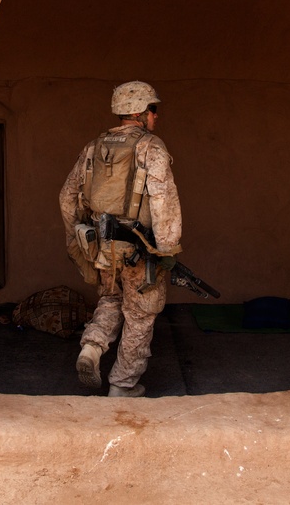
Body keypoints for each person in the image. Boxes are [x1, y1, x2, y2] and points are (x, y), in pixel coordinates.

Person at [59, 81, 183, 398]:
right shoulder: (150, 147)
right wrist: (166, 249)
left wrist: (78, 239)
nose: (156, 117)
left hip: (101, 247)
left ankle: (92, 346)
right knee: (141, 313)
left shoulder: (94, 148)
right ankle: (123, 384)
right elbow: (163, 202)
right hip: (140, 249)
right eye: (153, 110)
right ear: (141, 113)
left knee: (111, 299)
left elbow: (66, 197)